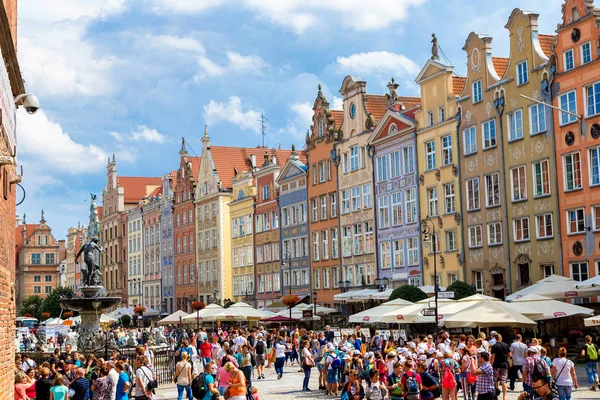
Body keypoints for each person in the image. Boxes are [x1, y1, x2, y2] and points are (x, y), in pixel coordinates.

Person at [490, 334, 511, 400]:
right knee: (504, 381)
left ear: (495, 339)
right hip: (504, 365)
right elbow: (510, 355)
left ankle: (496, 395)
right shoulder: (506, 345)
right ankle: (504, 397)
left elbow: (493, 357)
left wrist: (490, 365)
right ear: (501, 338)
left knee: (496, 380)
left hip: (496, 366)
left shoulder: (494, 346)